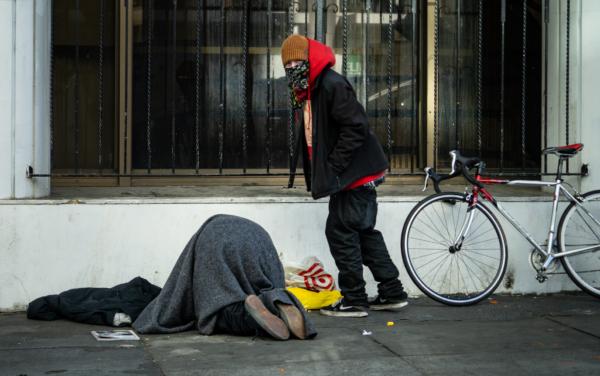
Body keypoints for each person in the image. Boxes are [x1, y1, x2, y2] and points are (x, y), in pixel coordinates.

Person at [281, 34, 408, 318]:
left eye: (297, 60)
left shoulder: (331, 84)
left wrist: (335, 166)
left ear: (309, 59)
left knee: (340, 232)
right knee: (363, 233)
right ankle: (392, 292)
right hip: (353, 176)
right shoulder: (312, 88)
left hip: (354, 176)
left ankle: (354, 299)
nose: (292, 67)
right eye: (287, 63)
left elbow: (356, 127)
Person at [133, 214, 317, 340]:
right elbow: (275, 274)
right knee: (268, 288)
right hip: (256, 235)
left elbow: (203, 298)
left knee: (217, 309)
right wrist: (277, 287)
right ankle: (277, 300)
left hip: (216, 236)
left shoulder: (195, 259)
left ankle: (250, 317)